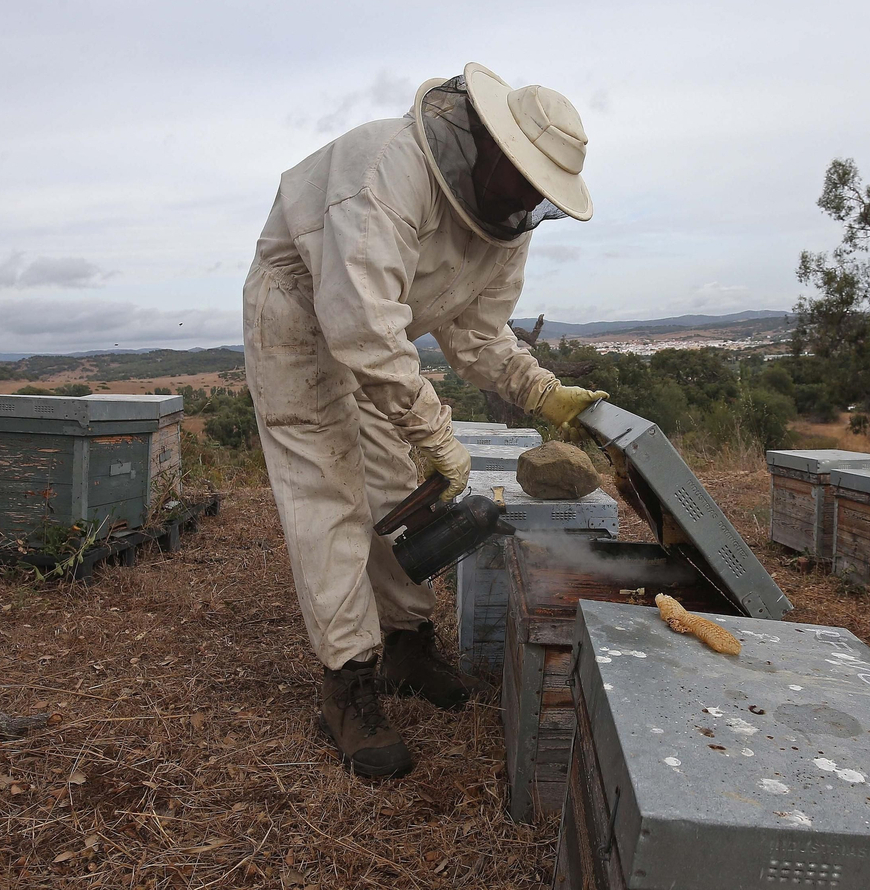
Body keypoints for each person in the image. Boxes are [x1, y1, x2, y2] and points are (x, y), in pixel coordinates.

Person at [242, 63, 607, 777]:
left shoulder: (505, 224)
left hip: (375, 334)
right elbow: (358, 320)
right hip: (299, 317)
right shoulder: (384, 169)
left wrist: (543, 393)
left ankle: (406, 644)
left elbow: (479, 335)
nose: (528, 201)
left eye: (540, 193)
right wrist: (435, 430)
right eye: (524, 180)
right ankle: (347, 683)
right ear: (490, 147)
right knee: (330, 495)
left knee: (394, 483)